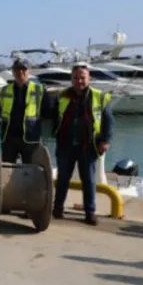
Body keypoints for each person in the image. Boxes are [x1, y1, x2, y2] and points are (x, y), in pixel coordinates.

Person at [52, 64, 114, 226]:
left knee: (89, 181)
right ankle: (58, 208)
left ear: (89, 78)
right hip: (66, 144)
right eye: (76, 78)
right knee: (62, 178)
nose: (79, 81)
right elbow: (53, 115)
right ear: (71, 79)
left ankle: (90, 212)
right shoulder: (62, 95)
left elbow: (108, 120)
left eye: (82, 77)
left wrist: (105, 141)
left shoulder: (99, 97)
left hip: (88, 145)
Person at [0, 58, 48, 163]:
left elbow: (46, 112)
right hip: (9, 137)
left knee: (29, 171)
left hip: (30, 138)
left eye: (23, 69)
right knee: (7, 169)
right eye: (17, 69)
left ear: (28, 71)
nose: (20, 72)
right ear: (12, 72)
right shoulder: (3, 91)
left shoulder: (40, 90)